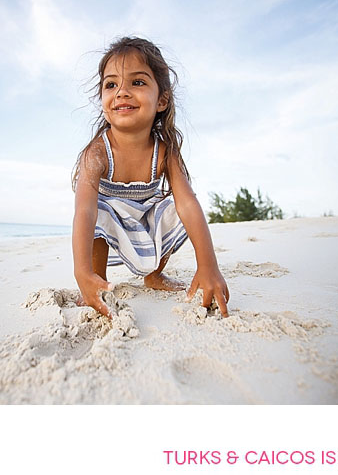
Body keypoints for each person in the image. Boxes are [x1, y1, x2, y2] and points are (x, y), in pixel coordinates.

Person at [72, 36, 230, 318]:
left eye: (137, 82)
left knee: (175, 206)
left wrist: (208, 266)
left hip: (145, 224)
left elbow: (188, 205)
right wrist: (80, 272)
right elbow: (84, 211)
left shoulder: (165, 151)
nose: (122, 92)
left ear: (162, 100)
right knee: (98, 209)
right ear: (103, 99)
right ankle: (95, 278)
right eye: (111, 85)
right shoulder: (97, 153)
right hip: (111, 227)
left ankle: (155, 274)